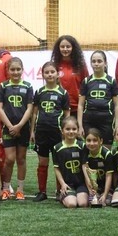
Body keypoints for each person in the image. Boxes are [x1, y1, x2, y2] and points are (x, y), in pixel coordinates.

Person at [0, 57, 34, 201]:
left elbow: (30, 108)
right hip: (8, 128)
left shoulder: (28, 86)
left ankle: (20, 190)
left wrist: (19, 126)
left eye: (18, 69)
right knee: (10, 159)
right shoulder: (3, 86)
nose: (16, 72)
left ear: (22, 70)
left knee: (21, 159)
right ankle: (6, 188)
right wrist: (10, 126)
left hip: (23, 128)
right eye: (13, 69)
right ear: (8, 70)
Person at [32, 61, 69, 202]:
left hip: (57, 133)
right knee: (43, 162)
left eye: (52, 72)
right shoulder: (39, 92)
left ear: (57, 74)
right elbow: (34, 113)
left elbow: (67, 115)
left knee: (58, 162)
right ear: (42, 75)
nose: (49, 74)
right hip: (41, 132)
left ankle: (60, 191)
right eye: (46, 72)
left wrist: (66, 132)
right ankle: (42, 192)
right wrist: (32, 131)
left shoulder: (63, 93)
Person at [77, 50, 118, 145]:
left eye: (99, 61)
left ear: (105, 63)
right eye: (94, 61)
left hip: (106, 121)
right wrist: (80, 125)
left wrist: (117, 125)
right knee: (91, 147)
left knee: (106, 149)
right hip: (89, 121)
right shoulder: (86, 81)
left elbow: (117, 105)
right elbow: (80, 105)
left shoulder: (111, 81)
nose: (96, 64)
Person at [52, 116, 87, 208]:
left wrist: (89, 184)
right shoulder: (57, 148)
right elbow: (56, 168)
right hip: (67, 184)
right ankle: (62, 195)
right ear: (62, 131)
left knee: (83, 204)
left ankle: (77, 194)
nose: (71, 132)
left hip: (80, 184)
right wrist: (62, 184)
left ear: (78, 130)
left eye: (74, 129)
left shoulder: (82, 146)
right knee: (72, 204)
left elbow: (84, 166)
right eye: (67, 129)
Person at [51, 35, 88, 114]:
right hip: (59, 107)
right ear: (58, 48)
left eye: (68, 47)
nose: (65, 49)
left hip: (77, 107)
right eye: (62, 47)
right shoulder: (54, 65)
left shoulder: (80, 65)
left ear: (73, 48)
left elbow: (86, 86)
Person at [82, 127, 111, 208]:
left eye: (95, 140)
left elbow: (109, 175)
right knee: (91, 202)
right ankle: (94, 194)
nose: (91, 143)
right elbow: (85, 169)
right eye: (88, 140)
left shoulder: (107, 154)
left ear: (101, 141)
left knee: (107, 202)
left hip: (105, 186)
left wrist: (105, 194)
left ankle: (106, 194)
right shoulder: (85, 151)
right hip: (92, 186)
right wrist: (90, 190)